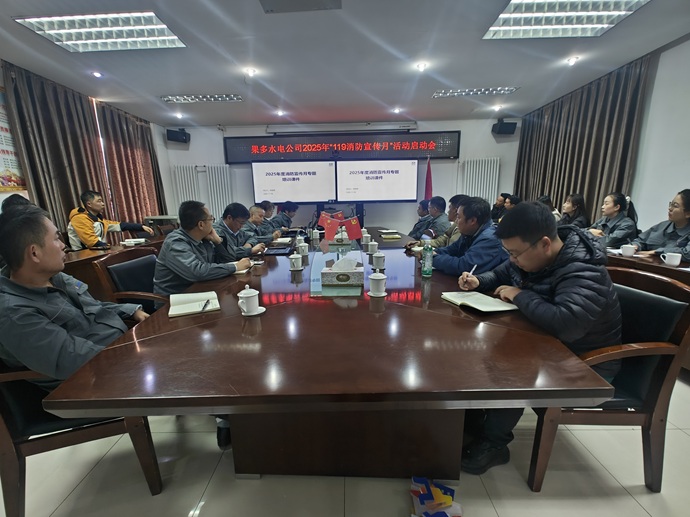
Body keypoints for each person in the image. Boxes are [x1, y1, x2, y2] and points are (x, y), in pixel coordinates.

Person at [457, 202, 621, 475]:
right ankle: (477, 417)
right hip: (552, 345)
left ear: (544, 244)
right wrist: (479, 281)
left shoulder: (583, 270)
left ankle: (495, 443)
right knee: (482, 344)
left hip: (587, 365)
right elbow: (501, 273)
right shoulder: (532, 258)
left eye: (515, 253)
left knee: (515, 362)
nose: (512, 260)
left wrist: (520, 295)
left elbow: (566, 325)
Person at [0, 206, 149, 390]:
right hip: (92, 381)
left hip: (119, 354)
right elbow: (74, 358)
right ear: (34, 253)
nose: (63, 245)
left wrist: (132, 311)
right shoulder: (14, 313)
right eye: (56, 238)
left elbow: (93, 306)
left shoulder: (54, 277)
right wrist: (134, 356)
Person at [153, 200, 252, 297]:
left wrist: (218, 242)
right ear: (201, 224)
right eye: (211, 219)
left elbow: (228, 259)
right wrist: (235, 267)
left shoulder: (203, 238)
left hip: (199, 290)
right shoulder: (175, 242)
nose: (213, 223)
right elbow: (197, 272)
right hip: (174, 299)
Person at [431, 197, 508, 276]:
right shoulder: (470, 232)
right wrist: (430, 252)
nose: (456, 221)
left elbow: (463, 267)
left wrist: (432, 258)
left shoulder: (490, 239)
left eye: (458, 217)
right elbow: (451, 250)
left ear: (472, 221)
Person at [67, 190, 153, 250]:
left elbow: (118, 225)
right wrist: (112, 248)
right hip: (83, 256)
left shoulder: (96, 219)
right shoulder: (79, 218)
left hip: (97, 251)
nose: (103, 204)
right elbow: (91, 242)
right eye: (99, 201)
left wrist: (141, 227)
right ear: (89, 204)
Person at [631, 189, 690, 261]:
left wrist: (656, 252)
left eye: (675, 206)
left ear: (688, 214)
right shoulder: (662, 226)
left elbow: (687, 254)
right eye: (671, 204)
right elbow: (640, 240)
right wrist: (636, 246)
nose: (670, 209)